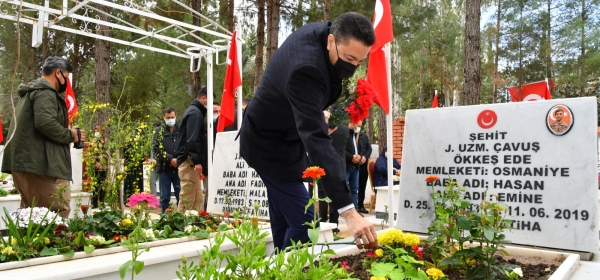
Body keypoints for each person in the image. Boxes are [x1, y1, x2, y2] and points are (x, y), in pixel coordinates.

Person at [239, 12, 378, 251]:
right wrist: (349, 211)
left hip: (285, 139)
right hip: (268, 146)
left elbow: (305, 103)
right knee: (306, 224)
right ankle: (289, 271)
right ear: (332, 41)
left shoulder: (322, 33)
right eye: (349, 58)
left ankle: (279, 271)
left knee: (286, 219)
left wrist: (316, 111)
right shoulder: (307, 69)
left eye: (359, 62)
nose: (353, 67)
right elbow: (317, 140)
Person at [1, 56, 85, 218]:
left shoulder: (31, 94)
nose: (66, 83)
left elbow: (41, 124)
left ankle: (28, 244)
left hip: (30, 165)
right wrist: (70, 135)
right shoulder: (45, 93)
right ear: (58, 73)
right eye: (66, 78)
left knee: (32, 216)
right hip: (40, 167)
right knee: (54, 214)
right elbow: (45, 123)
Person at [176, 87, 209, 212]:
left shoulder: (195, 111)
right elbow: (192, 139)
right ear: (203, 98)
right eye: (209, 101)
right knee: (188, 198)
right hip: (189, 162)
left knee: (197, 199)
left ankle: (195, 227)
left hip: (191, 161)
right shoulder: (195, 113)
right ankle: (178, 227)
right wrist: (197, 161)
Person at [153, 108, 181, 213]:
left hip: (179, 169)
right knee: (165, 197)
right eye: (168, 118)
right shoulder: (158, 131)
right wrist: (170, 160)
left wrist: (178, 160)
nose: (170, 119)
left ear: (176, 116)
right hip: (164, 170)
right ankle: (165, 219)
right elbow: (157, 150)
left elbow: (185, 146)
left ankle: (181, 219)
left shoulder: (181, 130)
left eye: (172, 117)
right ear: (163, 118)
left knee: (181, 196)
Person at [345, 120, 362, 209]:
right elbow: (341, 150)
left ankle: (355, 210)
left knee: (354, 189)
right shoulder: (344, 133)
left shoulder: (355, 135)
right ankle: (343, 211)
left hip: (356, 166)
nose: (359, 129)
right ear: (353, 124)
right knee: (344, 189)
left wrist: (359, 156)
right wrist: (352, 157)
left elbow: (358, 148)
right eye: (358, 126)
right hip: (347, 166)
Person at [356, 122, 372, 214]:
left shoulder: (364, 137)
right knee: (352, 187)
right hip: (354, 164)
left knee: (362, 186)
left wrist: (364, 157)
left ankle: (360, 206)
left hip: (363, 165)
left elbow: (369, 149)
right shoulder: (350, 136)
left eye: (359, 126)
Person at [91, 125, 108, 208]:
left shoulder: (105, 142)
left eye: (97, 130)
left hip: (103, 167)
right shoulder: (93, 142)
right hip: (95, 167)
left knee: (102, 185)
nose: (96, 132)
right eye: (95, 131)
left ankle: (102, 203)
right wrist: (95, 163)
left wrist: (103, 161)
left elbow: (107, 154)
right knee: (95, 185)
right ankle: (94, 203)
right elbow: (90, 154)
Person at [149, 121, 162, 196]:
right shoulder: (153, 138)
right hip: (153, 162)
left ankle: (161, 200)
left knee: (161, 182)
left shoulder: (161, 136)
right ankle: (153, 199)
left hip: (160, 162)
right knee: (152, 180)